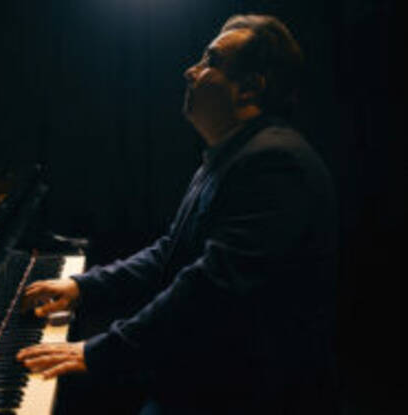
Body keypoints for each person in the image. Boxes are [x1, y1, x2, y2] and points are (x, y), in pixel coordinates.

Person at [17, 14, 338, 414]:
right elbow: (171, 251)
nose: (191, 71)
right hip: (209, 375)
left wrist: (101, 350)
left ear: (249, 89)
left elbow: (213, 286)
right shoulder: (232, 154)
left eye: (210, 62)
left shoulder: (274, 163)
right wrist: (84, 287)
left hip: (250, 395)